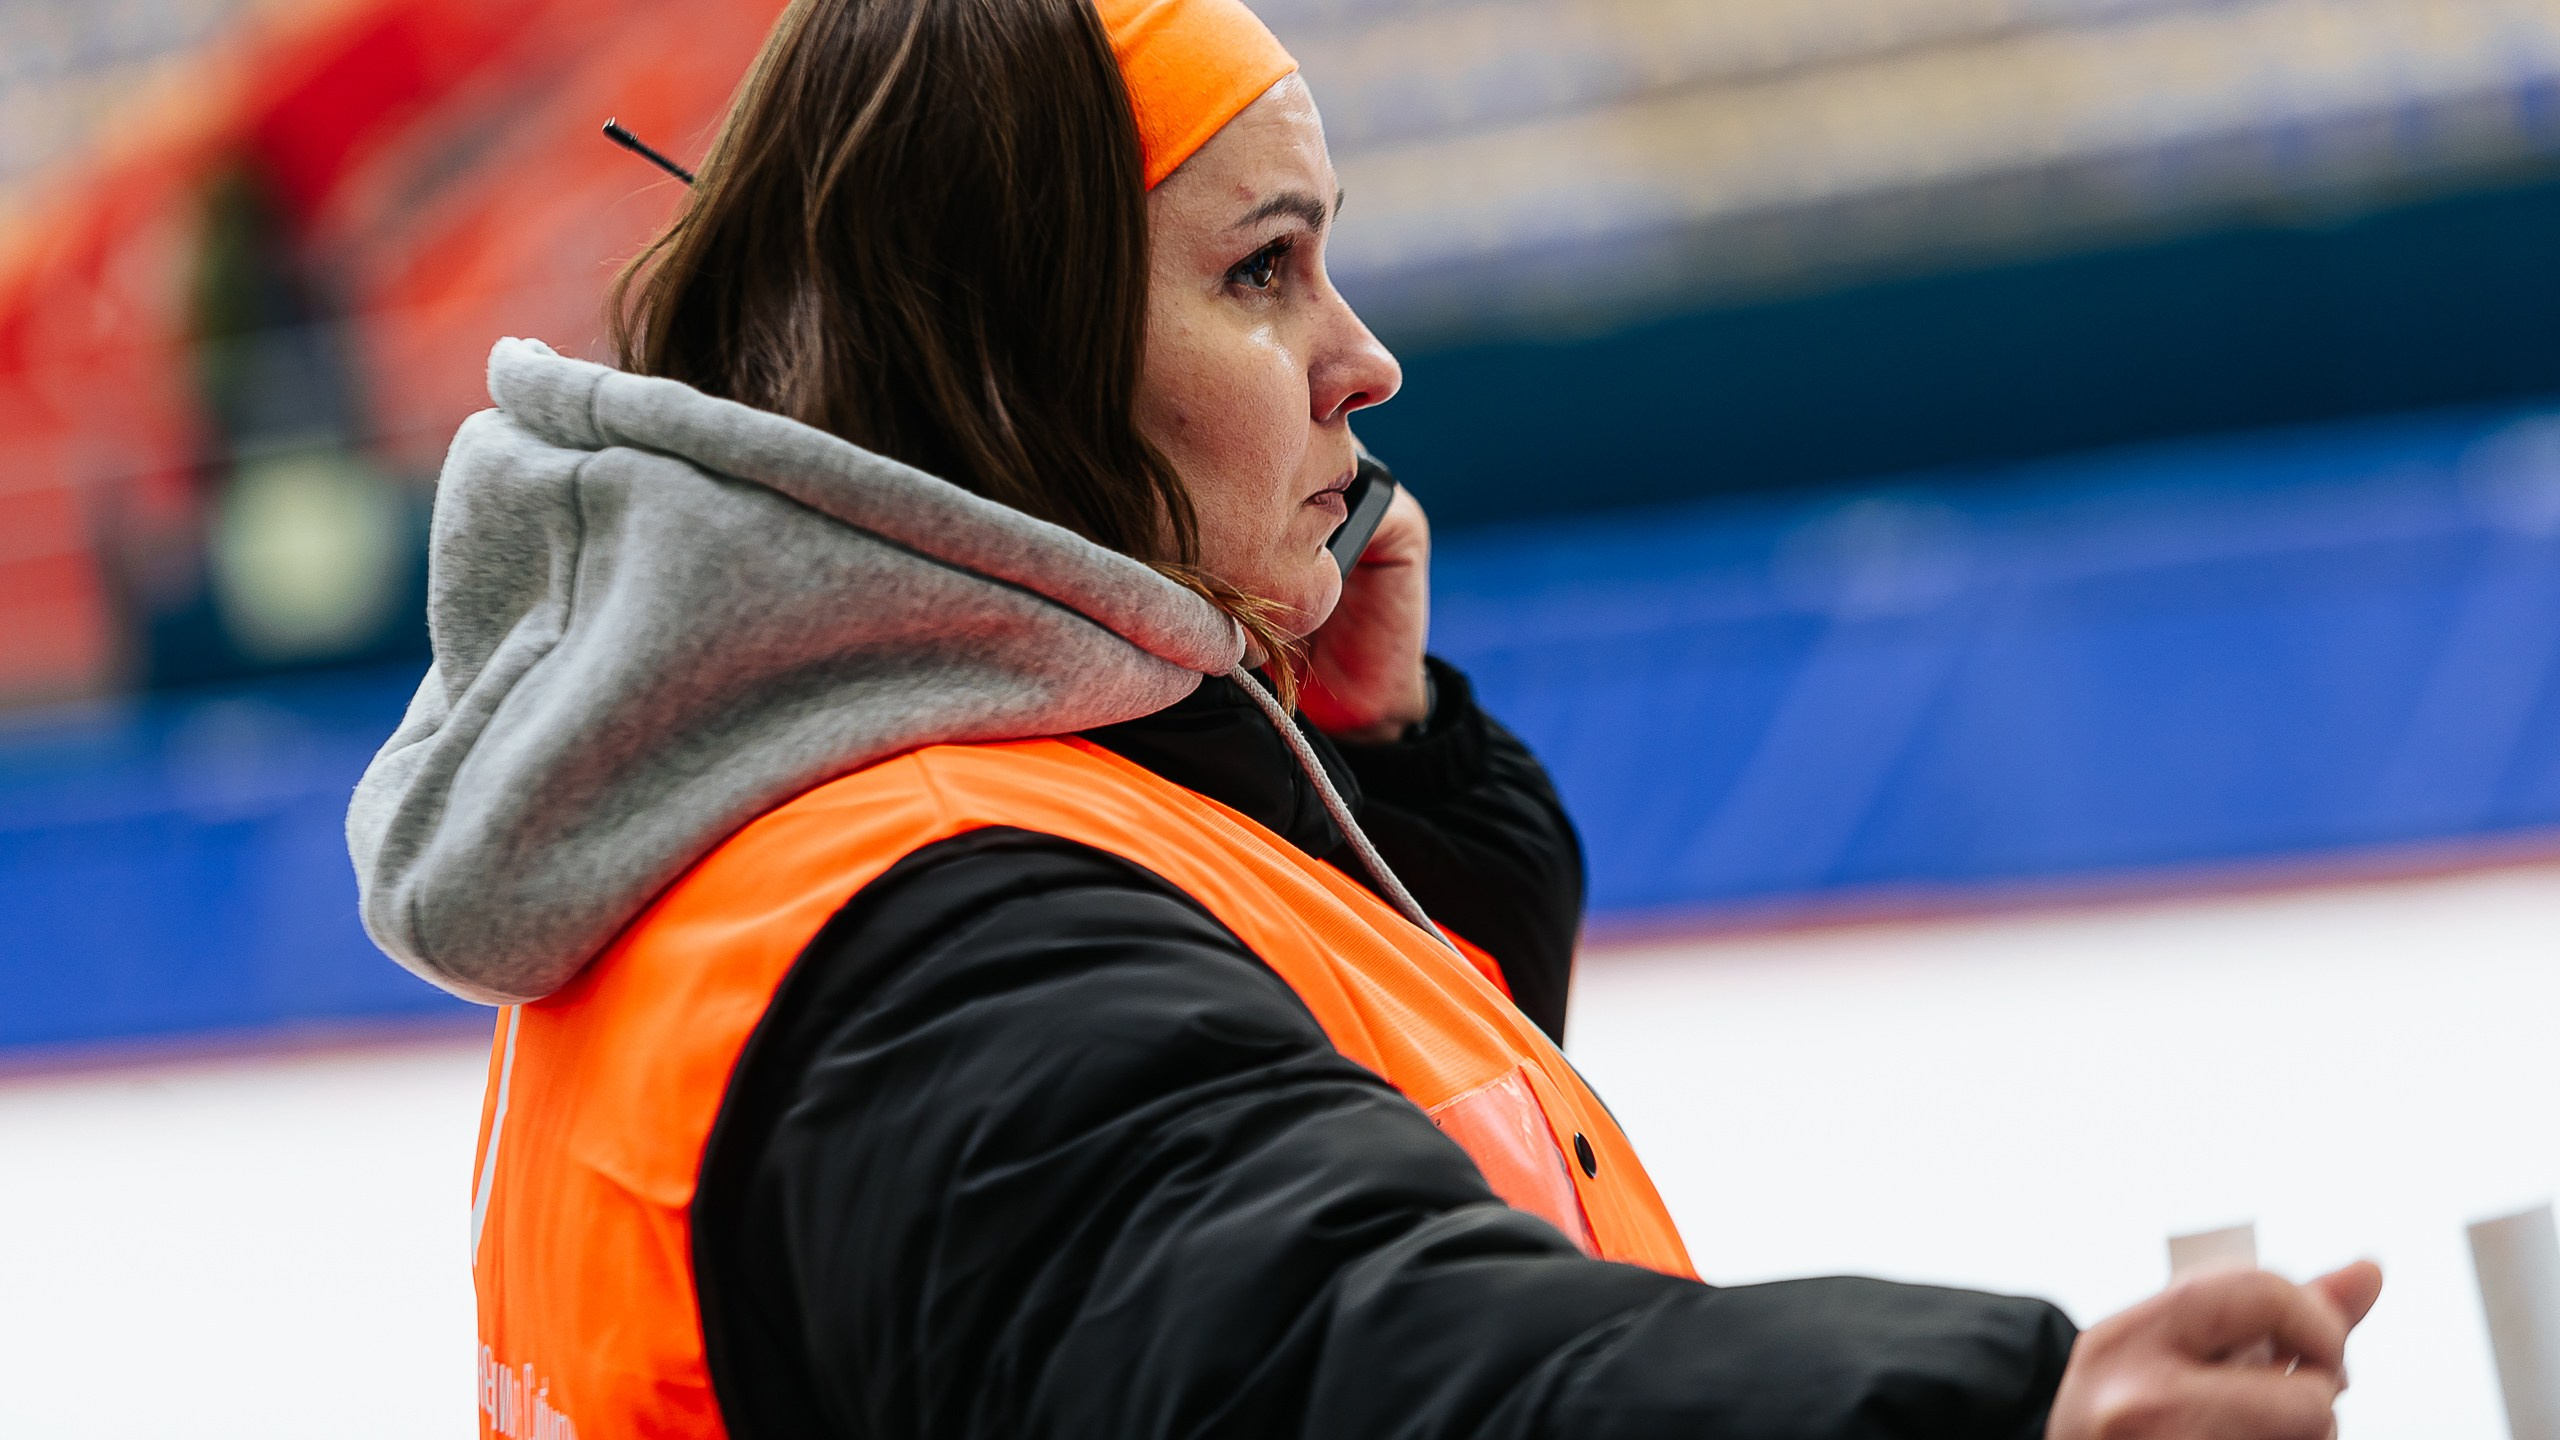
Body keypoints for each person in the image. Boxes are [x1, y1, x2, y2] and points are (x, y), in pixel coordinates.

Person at [345, 0, 2382, 1435]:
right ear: (1010, 362)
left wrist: (1356, 777)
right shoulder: (941, 934)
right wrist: (1979, 1415)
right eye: (1261, 273)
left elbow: (1273, 1154)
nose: (1363, 359)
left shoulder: (859, 824)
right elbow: (1335, 1355)